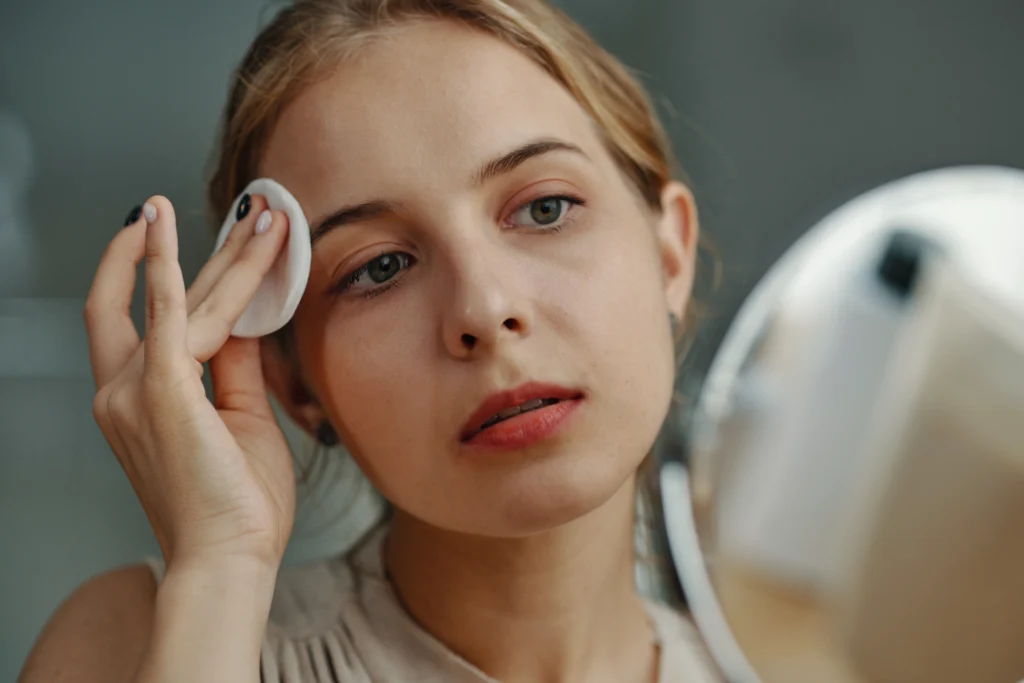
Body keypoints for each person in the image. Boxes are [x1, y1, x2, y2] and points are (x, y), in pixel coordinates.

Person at [19, 1, 716, 681]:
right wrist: (219, 570)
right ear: (294, 385)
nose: (484, 307)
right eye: (379, 268)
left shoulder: (796, 660)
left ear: (671, 258)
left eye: (545, 208)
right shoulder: (132, 642)